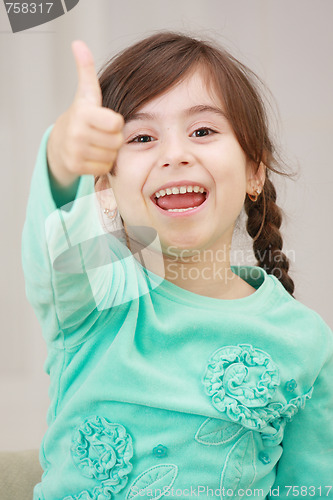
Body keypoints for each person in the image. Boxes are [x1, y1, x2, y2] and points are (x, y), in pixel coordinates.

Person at [22, 32, 333, 500]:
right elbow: (55, 250)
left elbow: (311, 485)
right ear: (106, 185)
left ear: (255, 171)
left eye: (203, 131)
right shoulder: (97, 296)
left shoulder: (303, 338)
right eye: (142, 137)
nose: (175, 154)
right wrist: (62, 160)